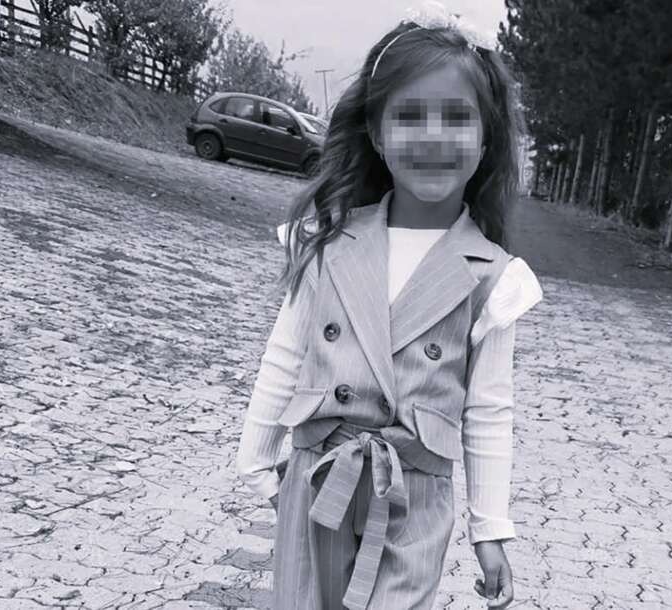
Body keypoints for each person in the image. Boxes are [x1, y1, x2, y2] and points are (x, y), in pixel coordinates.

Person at [235, 3, 543, 609]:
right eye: (409, 116)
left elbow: (488, 411)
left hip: (414, 498)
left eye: (457, 117)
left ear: (486, 138)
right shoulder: (328, 243)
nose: (433, 136)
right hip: (319, 476)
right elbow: (286, 354)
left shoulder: (495, 277)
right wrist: (257, 460)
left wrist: (490, 529)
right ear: (376, 134)